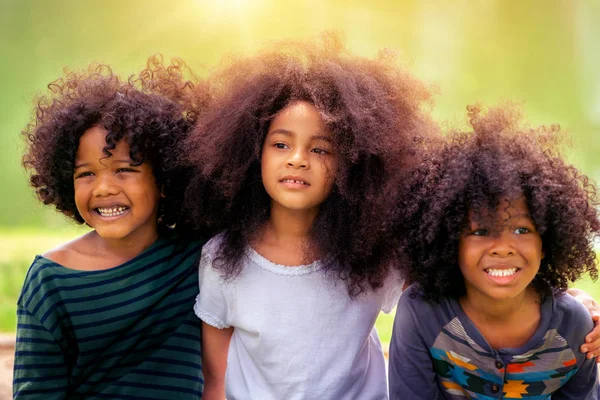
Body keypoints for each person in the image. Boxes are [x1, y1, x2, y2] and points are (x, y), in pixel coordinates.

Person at [185, 34, 437, 400]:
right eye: (281, 144)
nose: (297, 159)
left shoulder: (376, 255)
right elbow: (216, 381)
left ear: (353, 163)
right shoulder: (223, 258)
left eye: (319, 148)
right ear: (251, 153)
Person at [14, 56, 208, 399]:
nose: (102, 188)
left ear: (164, 177)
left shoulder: (198, 257)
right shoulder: (51, 279)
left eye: (123, 169)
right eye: (86, 173)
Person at [388, 105, 600, 399]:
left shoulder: (574, 325)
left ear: (547, 241)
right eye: (480, 231)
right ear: (450, 243)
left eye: (522, 230)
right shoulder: (421, 312)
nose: (502, 248)